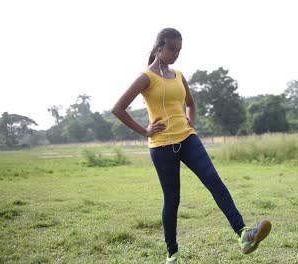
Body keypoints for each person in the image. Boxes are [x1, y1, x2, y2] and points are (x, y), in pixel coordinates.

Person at [111, 28, 271, 264]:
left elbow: (191, 104)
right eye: (172, 49)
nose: (176, 54)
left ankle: (243, 234)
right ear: (160, 46)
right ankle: (172, 255)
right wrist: (144, 131)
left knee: (214, 181)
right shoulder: (146, 77)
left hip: (187, 138)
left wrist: (191, 123)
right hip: (162, 145)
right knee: (172, 199)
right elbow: (118, 108)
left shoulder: (178, 75)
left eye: (179, 50)